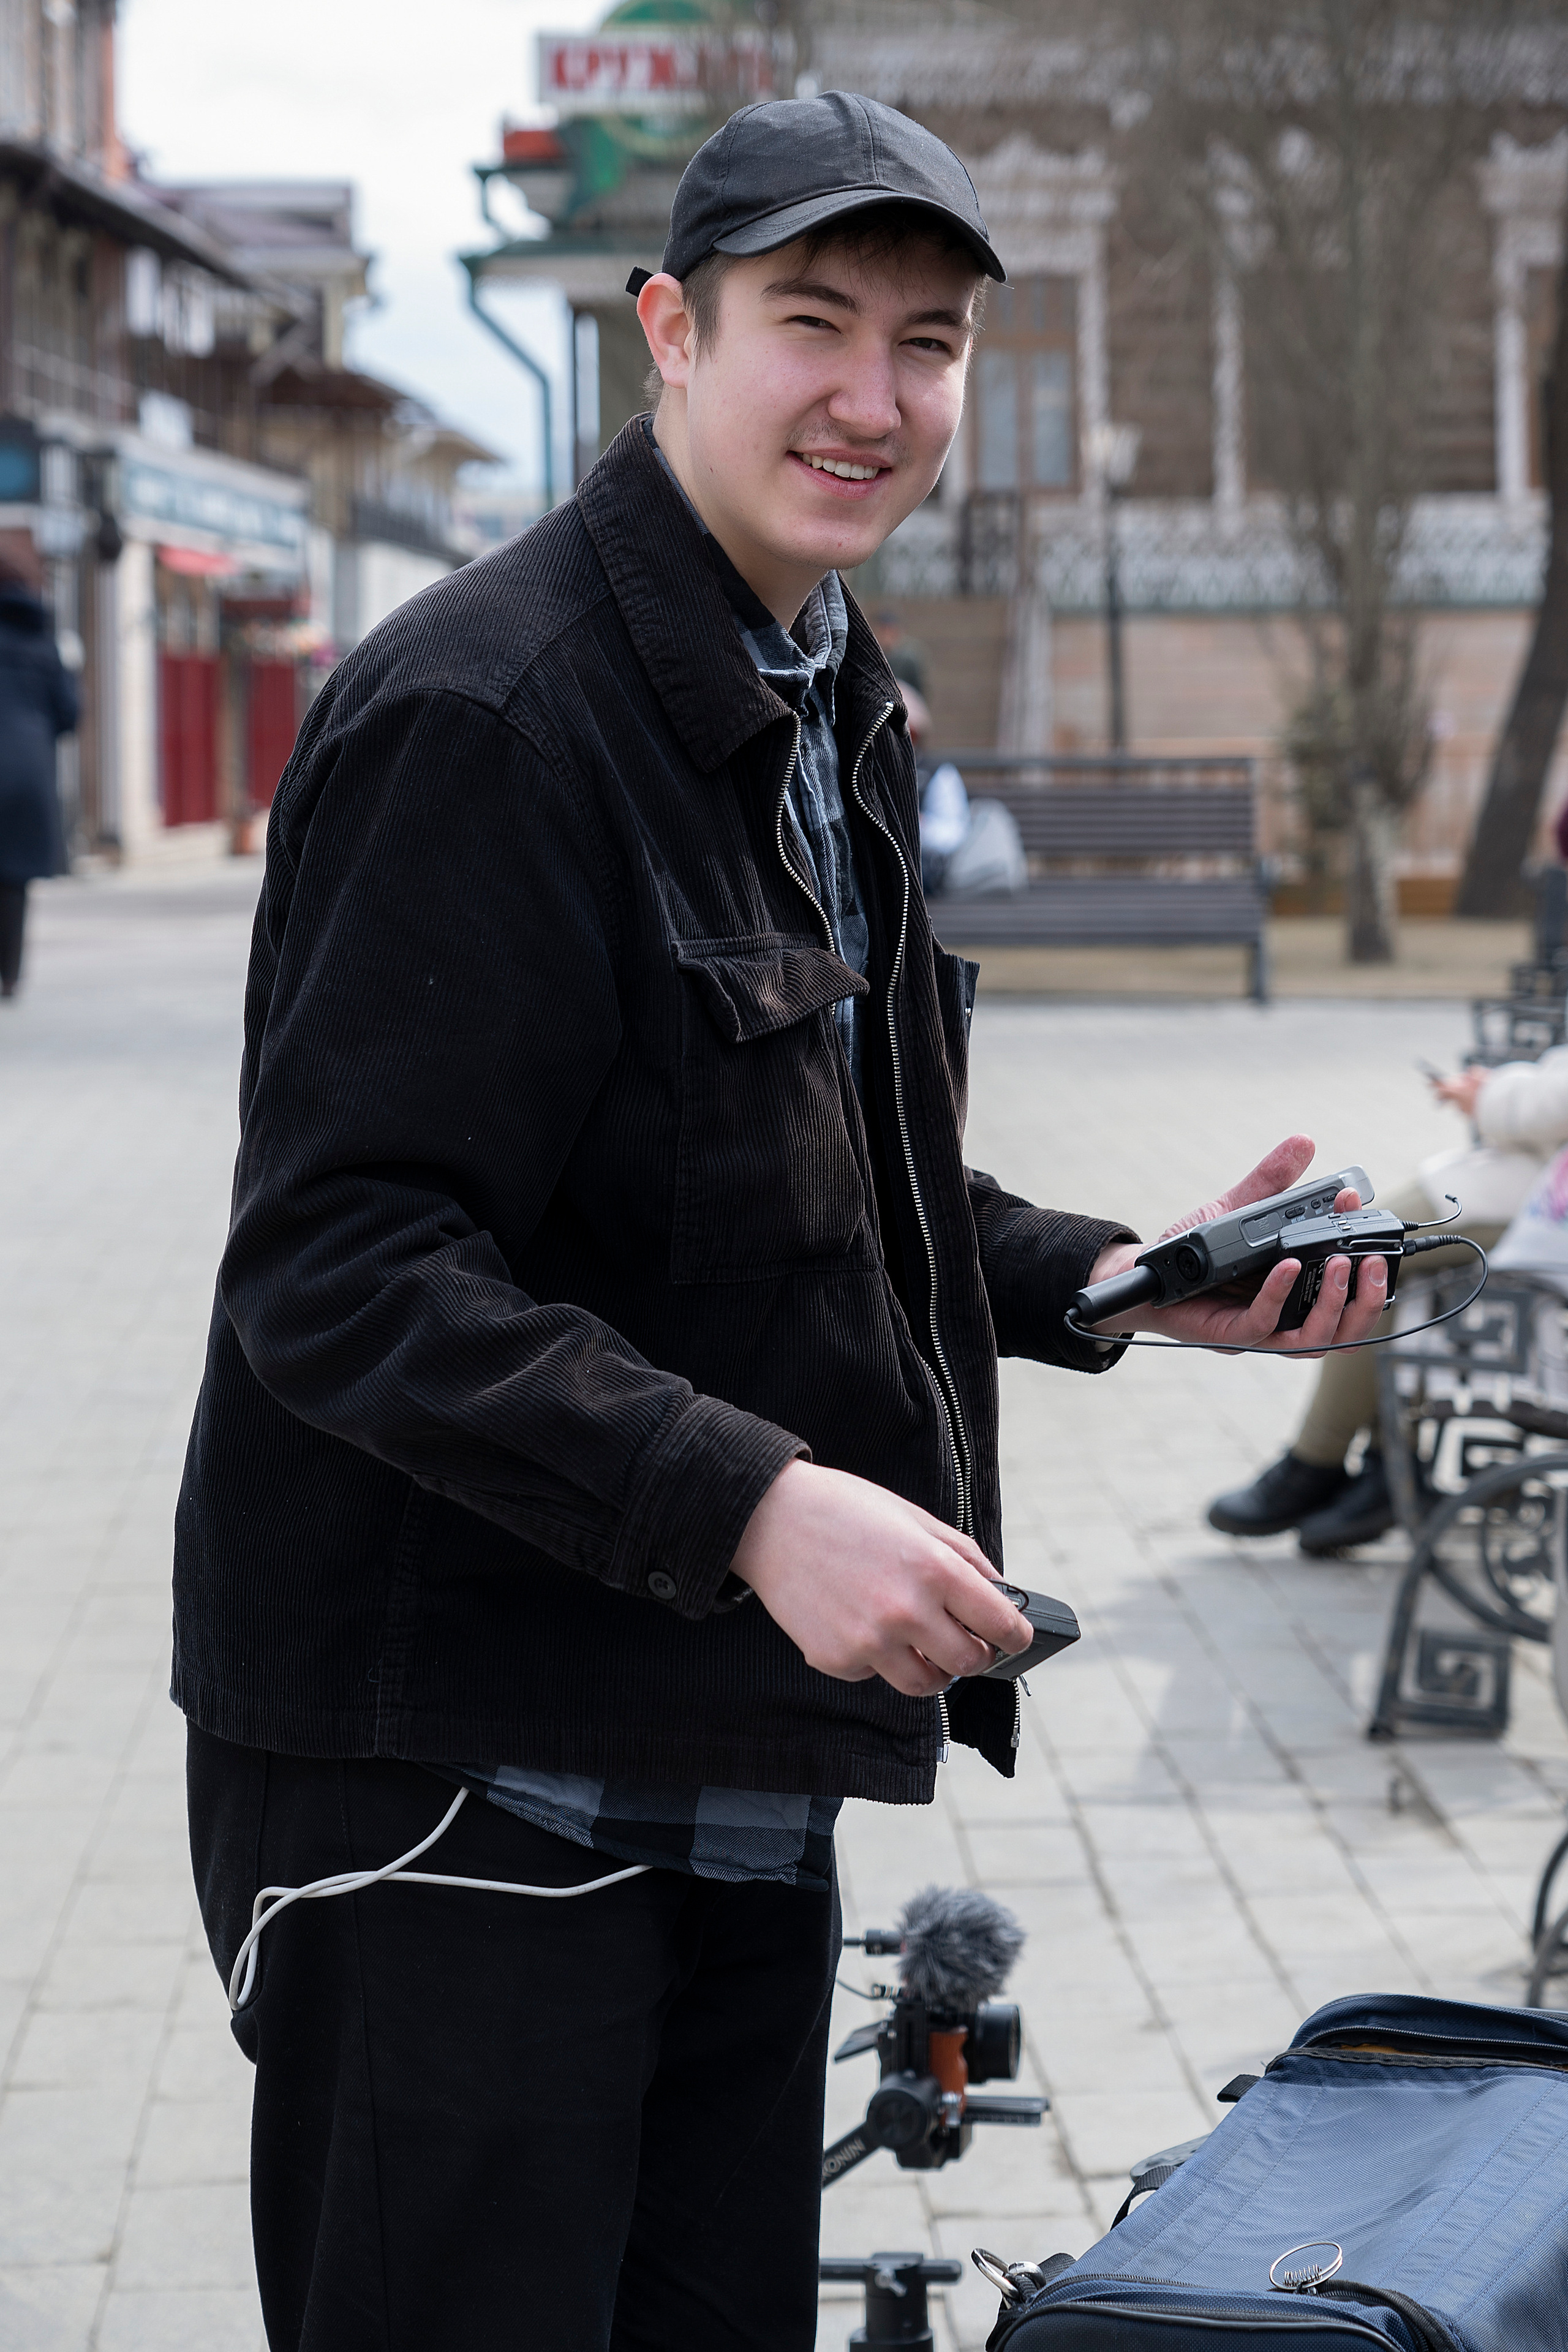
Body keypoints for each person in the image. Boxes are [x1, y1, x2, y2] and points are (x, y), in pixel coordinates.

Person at [174, 92, 1384, 2352]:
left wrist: (1118, 1288)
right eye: (808, 323)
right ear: (668, 329)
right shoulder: (487, 714)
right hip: (454, 1781)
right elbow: (340, 1273)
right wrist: (749, 1502)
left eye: (923, 344)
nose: (873, 395)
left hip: (716, 1758)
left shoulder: (822, 695)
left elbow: (816, 1171)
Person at [1207, 1046, 1568, 1554]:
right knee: (1379, 1272)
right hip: (1532, 1180)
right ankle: (1380, 1468)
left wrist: (1486, 1096)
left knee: (1361, 1258)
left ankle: (1316, 1464)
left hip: (1542, 1202)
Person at [0, 556, 76, 998]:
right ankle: (9, 974)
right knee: (14, 879)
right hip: (28, 771)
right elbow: (69, 713)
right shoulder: (42, 643)